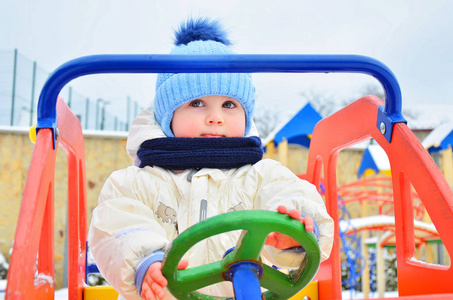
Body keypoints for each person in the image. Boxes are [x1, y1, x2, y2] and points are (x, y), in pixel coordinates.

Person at [88, 17, 334, 300]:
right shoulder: (136, 182)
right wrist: (145, 262)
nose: (215, 117)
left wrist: (293, 235)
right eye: (197, 103)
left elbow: (292, 195)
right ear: (168, 116)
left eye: (229, 104)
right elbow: (118, 224)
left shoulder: (261, 176)